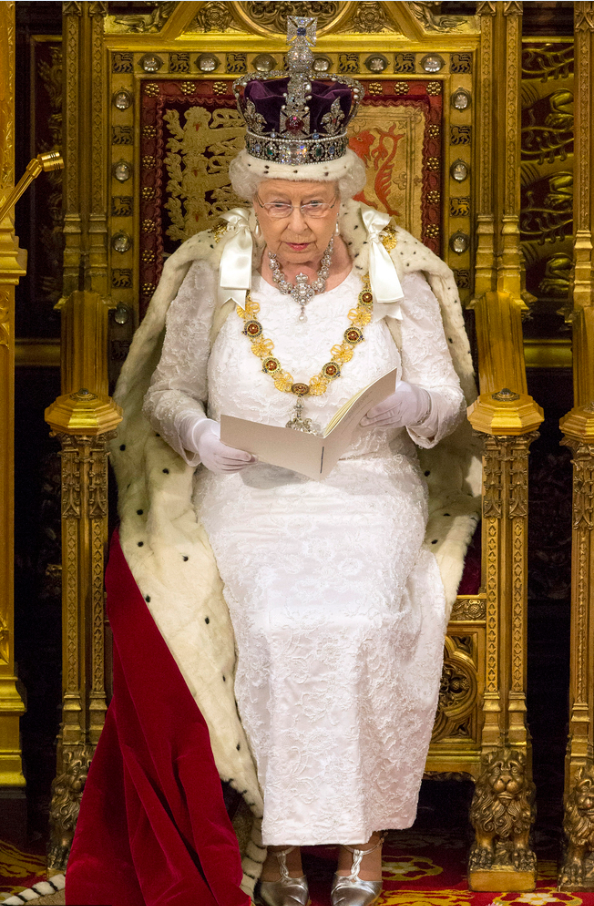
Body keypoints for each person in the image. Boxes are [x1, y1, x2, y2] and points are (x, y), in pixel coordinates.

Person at [69, 16, 480, 906]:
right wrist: (198, 438)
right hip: (247, 487)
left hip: (368, 484)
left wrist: (413, 406)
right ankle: (284, 842)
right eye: (277, 203)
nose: (296, 223)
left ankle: (365, 840)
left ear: (345, 195)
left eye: (314, 203)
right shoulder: (209, 270)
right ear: (252, 199)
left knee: (360, 612)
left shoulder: (396, 273)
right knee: (270, 614)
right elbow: (168, 392)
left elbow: (449, 400)